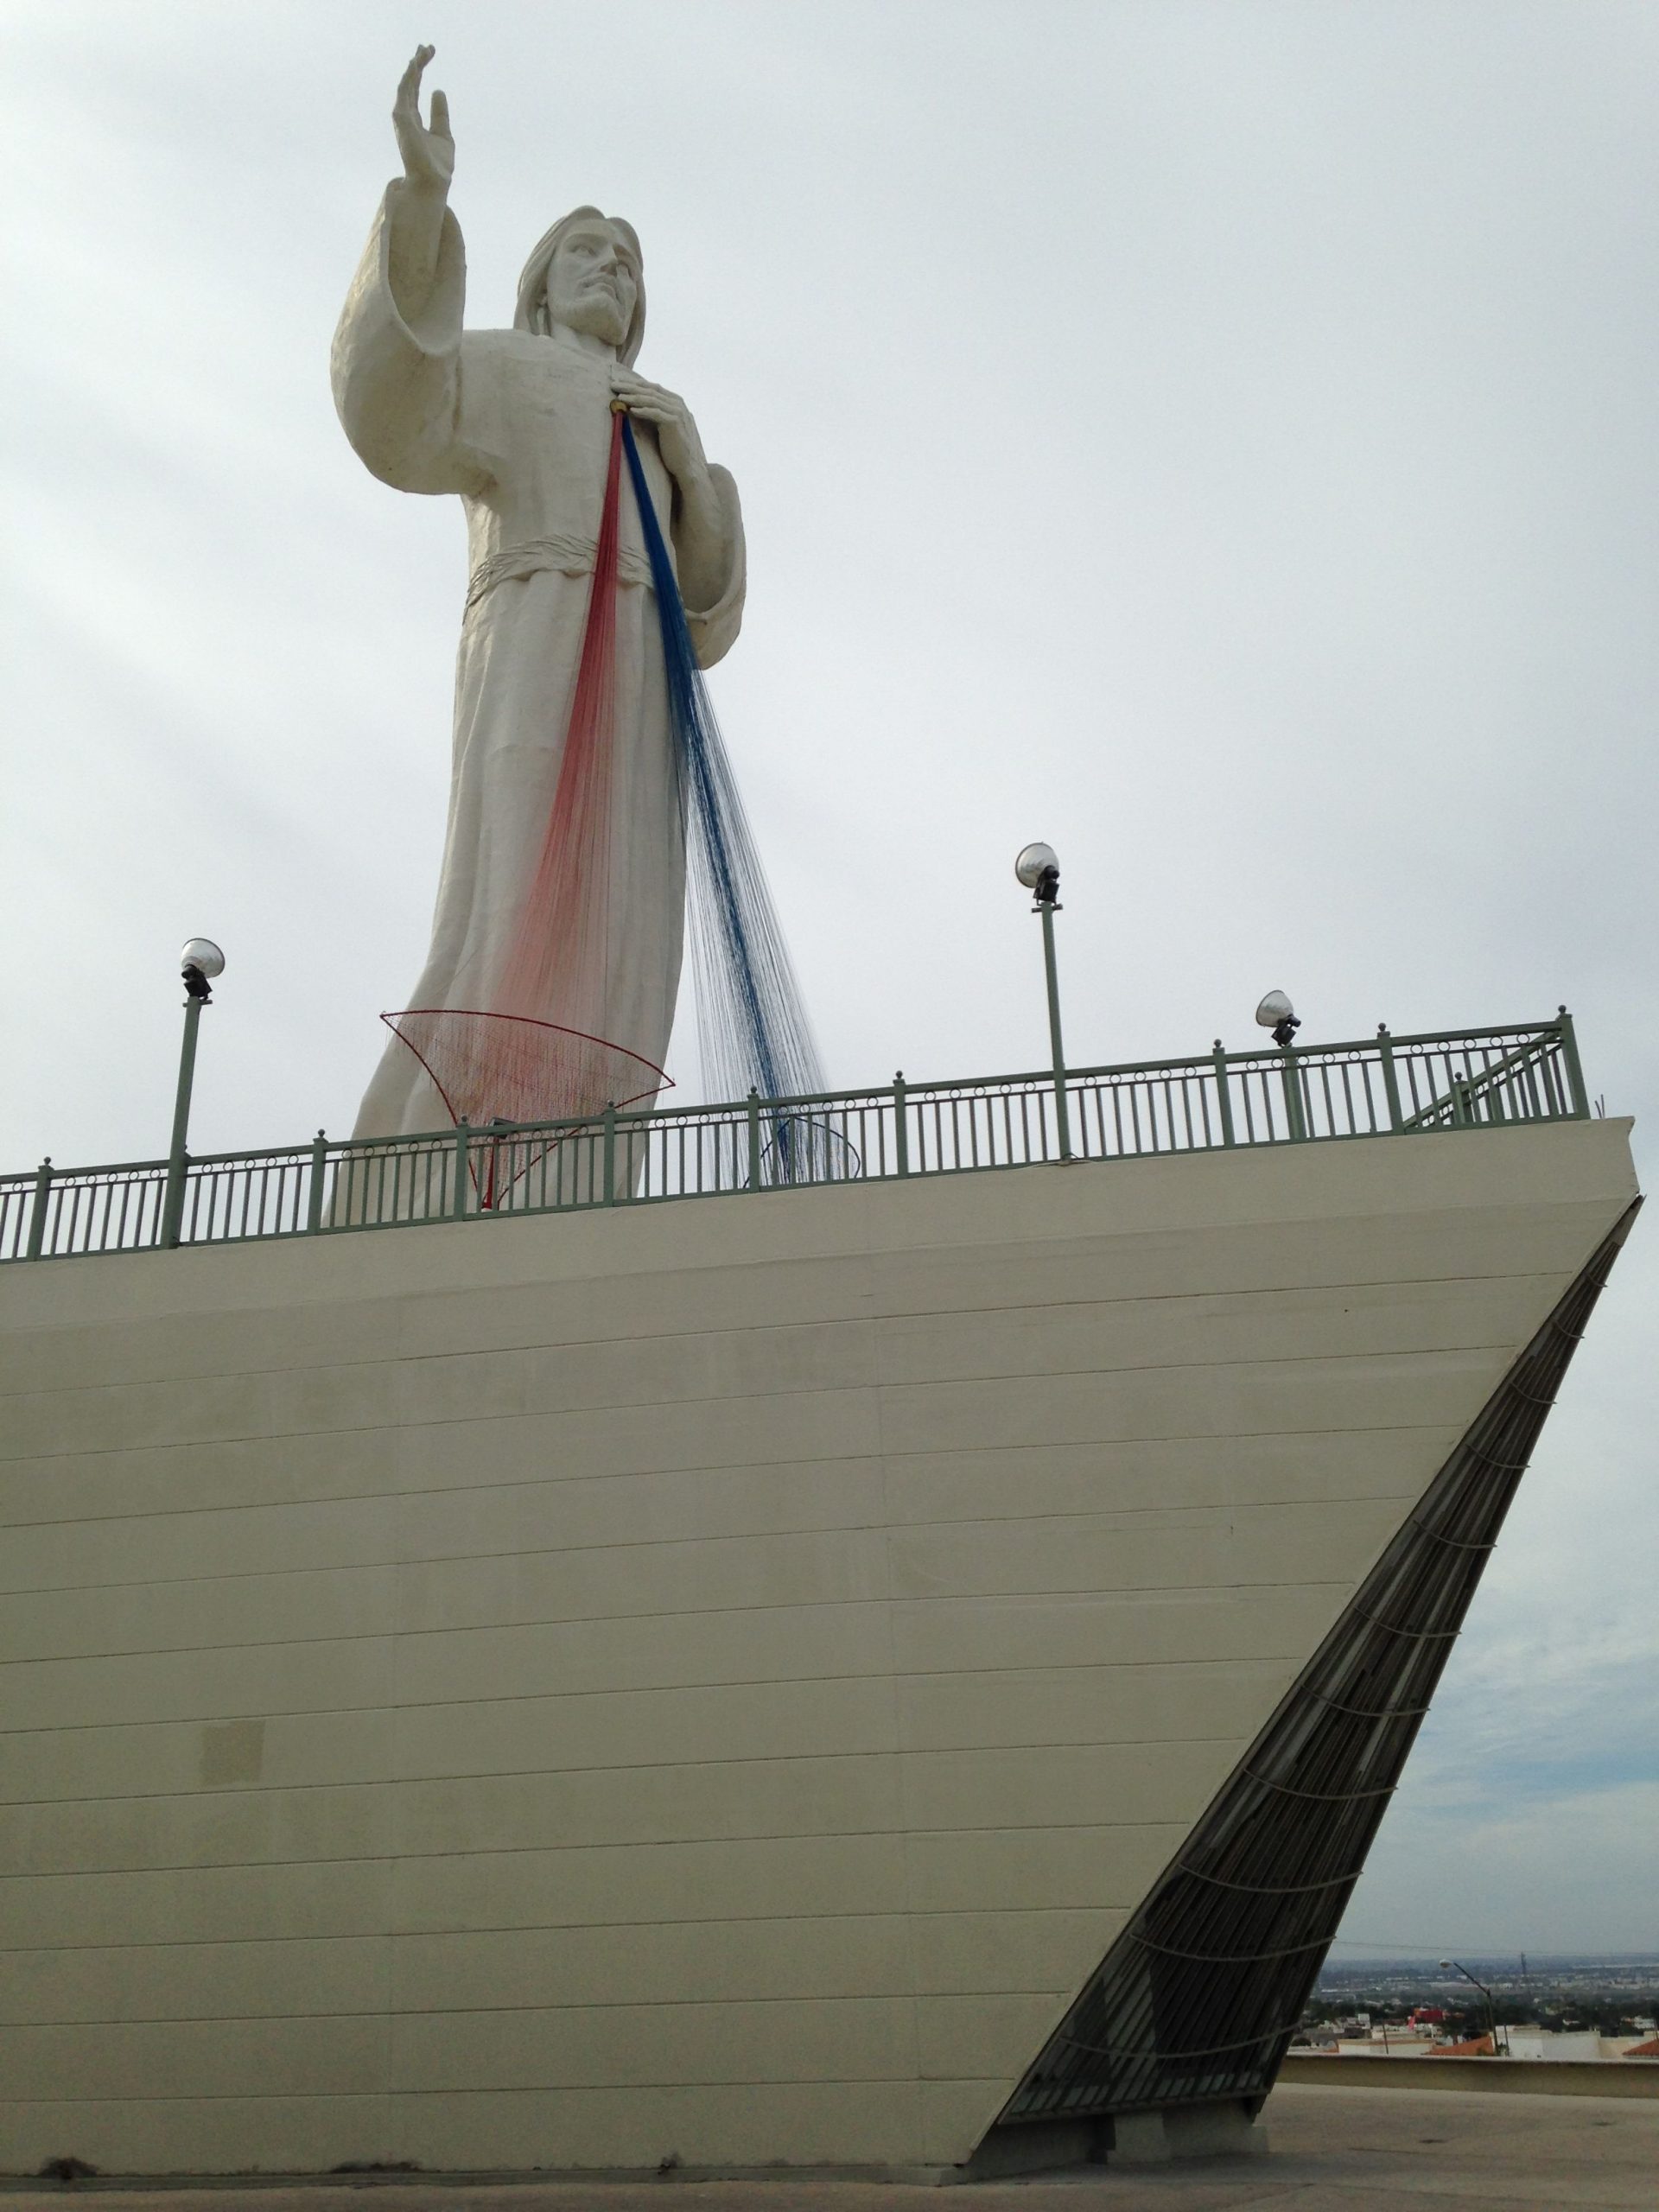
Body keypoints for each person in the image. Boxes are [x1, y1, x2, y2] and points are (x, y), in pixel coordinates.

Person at [334, 46, 746, 1140]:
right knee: (515, 891)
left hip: (637, 682)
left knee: (627, 918)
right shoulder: (510, 370)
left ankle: (588, 1140)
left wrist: (690, 460)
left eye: (626, 260)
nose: (611, 267)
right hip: (534, 649)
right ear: (540, 280)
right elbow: (398, 409)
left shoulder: (653, 418)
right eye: (586, 250)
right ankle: (445, 1137)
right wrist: (421, 206)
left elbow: (702, 612)